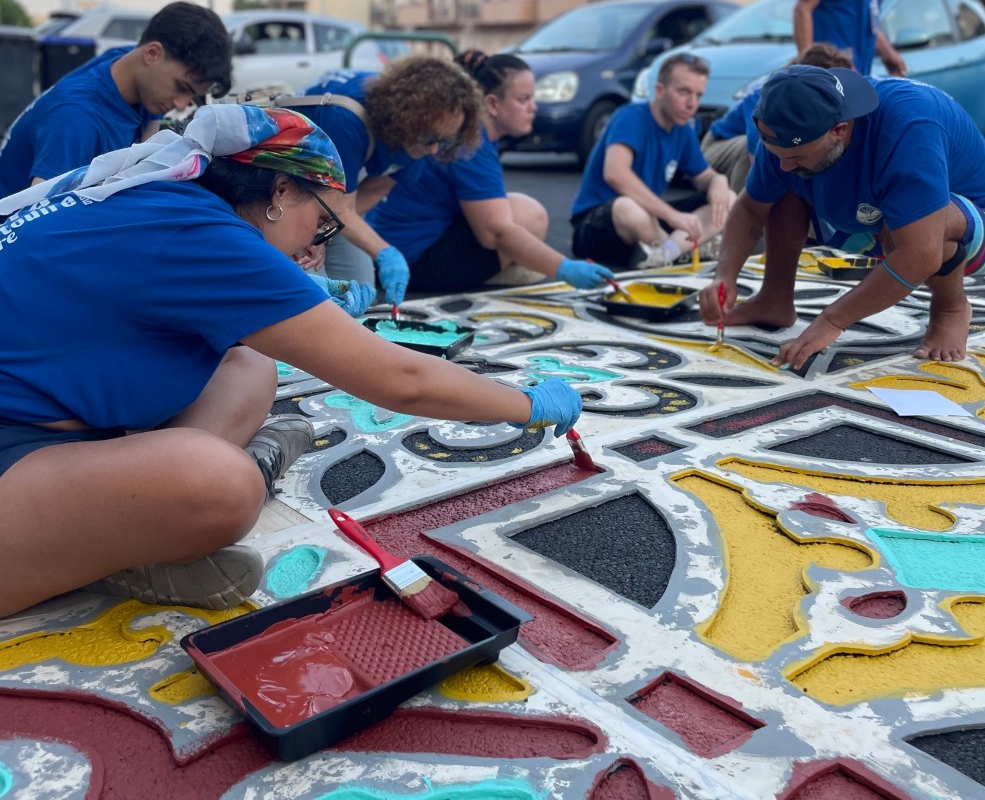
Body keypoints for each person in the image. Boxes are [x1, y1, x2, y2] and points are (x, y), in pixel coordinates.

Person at [0, 105, 583, 619]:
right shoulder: (203, 232)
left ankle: (110, 536)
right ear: (280, 192)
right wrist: (526, 402)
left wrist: (303, 295)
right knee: (221, 487)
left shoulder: (163, 199)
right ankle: (160, 523)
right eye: (323, 221)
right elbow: (399, 378)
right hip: (15, 446)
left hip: (51, 424)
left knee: (247, 368)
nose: (316, 247)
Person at [698, 65, 985, 368]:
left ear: (839, 130)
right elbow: (750, 208)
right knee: (781, 189)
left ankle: (951, 306)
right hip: (874, 220)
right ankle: (774, 298)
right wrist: (725, 275)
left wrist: (832, 320)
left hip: (984, 225)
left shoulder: (908, 125)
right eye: (778, 155)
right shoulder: (791, 134)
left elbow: (921, 253)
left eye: (795, 156)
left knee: (916, 222)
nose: (784, 165)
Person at [366, 50, 615, 293]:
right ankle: (492, 276)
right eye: (523, 99)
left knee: (511, 210)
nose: (533, 108)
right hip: (415, 263)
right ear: (492, 104)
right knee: (529, 215)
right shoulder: (472, 142)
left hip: (394, 248)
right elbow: (495, 234)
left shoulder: (467, 128)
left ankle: (497, 269)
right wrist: (565, 268)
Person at [287, 57, 482, 305]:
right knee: (315, 302)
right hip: (289, 193)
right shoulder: (345, 119)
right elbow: (335, 206)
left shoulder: (425, 131)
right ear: (405, 120)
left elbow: (370, 192)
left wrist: (325, 233)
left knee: (361, 290)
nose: (435, 150)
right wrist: (384, 252)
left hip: (329, 198)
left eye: (444, 141)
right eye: (431, 139)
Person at [0, 1, 233, 196]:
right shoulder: (75, 120)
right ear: (152, 53)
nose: (180, 104)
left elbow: (147, 152)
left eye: (191, 94)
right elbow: (38, 224)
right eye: (181, 87)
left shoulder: (129, 66)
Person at [570, 52, 736, 271]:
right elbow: (615, 174)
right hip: (597, 225)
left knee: (728, 199)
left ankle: (664, 254)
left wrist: (718, 181)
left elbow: (703, 176)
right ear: (659, 90)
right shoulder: (630, 117)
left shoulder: (682, 129)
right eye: (684, 92)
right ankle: (677, 252)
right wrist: (672, 215)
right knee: (629, 208)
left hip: (649, 224)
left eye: (698, 95)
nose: (692, 104)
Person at [700, 43, 853, 195]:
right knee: (760, 149)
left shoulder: (797, 93)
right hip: (717, 144)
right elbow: (756, 158)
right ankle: (736, 204)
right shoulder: (772, 98)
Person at [793, 0, 906, 78]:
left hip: (858, 73)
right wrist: (808, 70)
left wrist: (888, 53)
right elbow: (803, 9)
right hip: (831, 74)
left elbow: (868, 18)